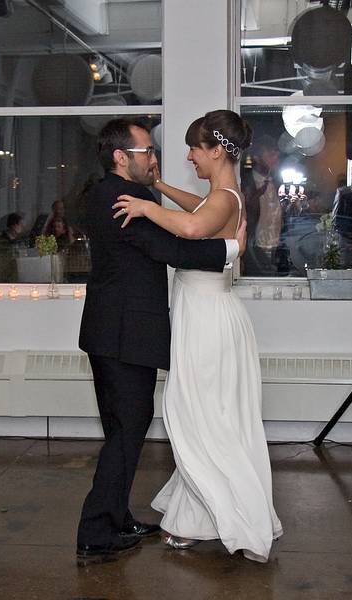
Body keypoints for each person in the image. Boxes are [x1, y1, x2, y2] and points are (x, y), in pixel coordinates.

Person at [112, 109, 282, 563]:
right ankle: (200, 516)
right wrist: (160, 188)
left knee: (201, 415)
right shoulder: (222, 195)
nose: (189, 156)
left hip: (207, 317)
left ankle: (226, 515)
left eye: (194, 148)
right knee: (205, 414)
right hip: (202, 311)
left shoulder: (226, 197)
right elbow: (198, 210)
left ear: (216, 150)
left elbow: (191, 228)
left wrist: (146, 206)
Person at [77, 118, 246, 566]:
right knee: (125, 429)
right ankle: (96, 531)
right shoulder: (117, 198)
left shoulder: (129, 195)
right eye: (146, 151)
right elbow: (172, 249)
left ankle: (115, 518)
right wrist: (229, 250)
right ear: (120, 157)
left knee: (126, 428)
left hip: (123, 330)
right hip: (121, 333)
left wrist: (163, 197)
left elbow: (190, 220)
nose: (153, 158)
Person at [241, 135, 286, 276]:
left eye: (277, 153)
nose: (276, 156)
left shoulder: (275, 180)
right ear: (257, 158)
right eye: (271, 153)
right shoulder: (247, 183)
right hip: (256, 246)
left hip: (276, 244)